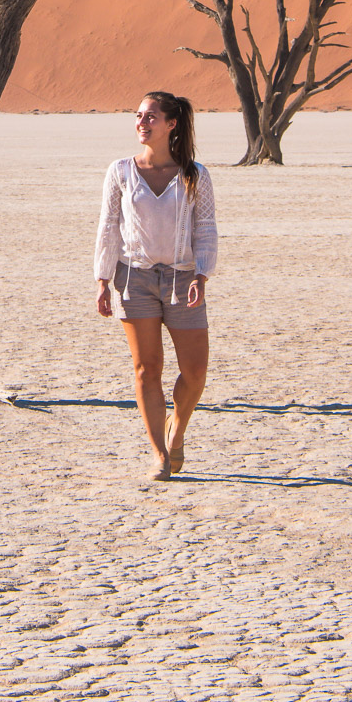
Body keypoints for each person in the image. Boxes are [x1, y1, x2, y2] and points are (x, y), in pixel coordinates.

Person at [95, 91, 216, 481]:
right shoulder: (120, 171)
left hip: (184, 281)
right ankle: (160, 454)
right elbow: (108, 226)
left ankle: (176, 431)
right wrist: (101, 280)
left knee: (195, 372)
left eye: (150, 117)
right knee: (148, 369)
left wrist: (202, 274)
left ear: (171, 124)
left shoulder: (194, 174)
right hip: (135, 278)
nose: (142, 123)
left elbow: (206, 228)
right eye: (138, 116)